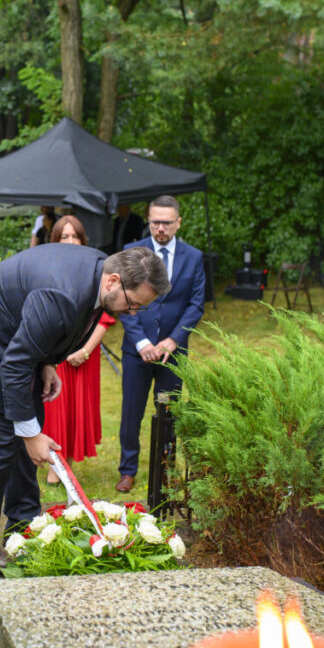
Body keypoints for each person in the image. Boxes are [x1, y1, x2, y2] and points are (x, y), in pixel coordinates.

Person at [0, 244, 169, 573]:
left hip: (11, 334)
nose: (132, 313)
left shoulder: (96, 275)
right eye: (133, 304)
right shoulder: (63, 292)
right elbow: (15, 365)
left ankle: (22, 523)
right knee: (5, 431)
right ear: (113, 280)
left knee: (31, 419)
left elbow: (47, 335)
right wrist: (30, 434)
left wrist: (47, 363)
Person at [116, 195, 205, 493]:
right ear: (149, 221)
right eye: (155, 222)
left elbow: (195, 305)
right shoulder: (131, 252)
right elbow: (122, 302)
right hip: (136, 350)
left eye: (167, 222)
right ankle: (127, 470)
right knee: (132, 412)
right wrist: (141, 342)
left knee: (169, 412)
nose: (160, 228)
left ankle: (166, 468)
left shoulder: (193, 257)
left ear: (178, 222)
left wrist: (173, 340)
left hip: (173, 352)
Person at [41, 216, 116, 484]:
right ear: (56, 240)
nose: (70, 241)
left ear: (83, 240)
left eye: (75, 236)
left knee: (76, 408)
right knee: (56, 407)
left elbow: (106, 316)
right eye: (65, 236)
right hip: (55, 350)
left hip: (85, 352)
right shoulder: (47, 266)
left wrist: (84, 350)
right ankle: (54, 462)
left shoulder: (98, 268)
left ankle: (67, 461)